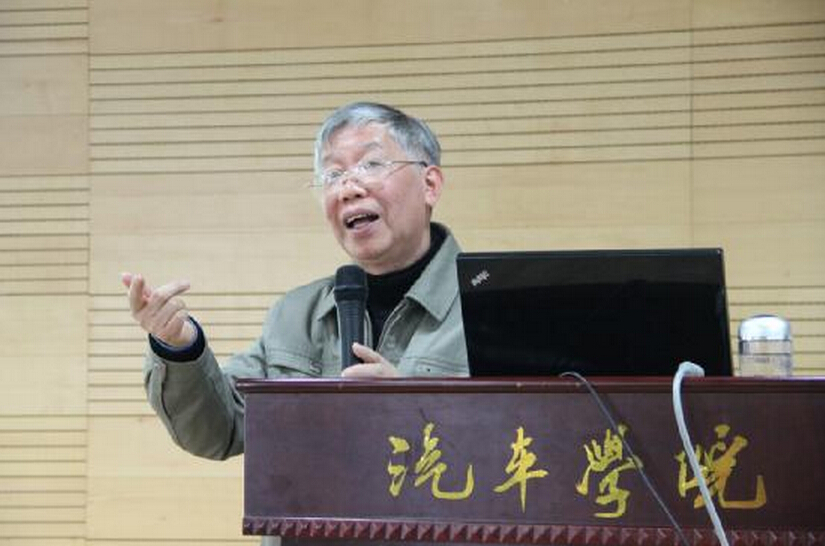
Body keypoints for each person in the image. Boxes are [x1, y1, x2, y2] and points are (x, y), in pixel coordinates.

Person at [123, 102, 469, 462]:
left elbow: (509, 448)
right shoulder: (297, 316)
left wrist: (409, 409)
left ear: (430, 185)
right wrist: (180, 347)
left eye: (371, 164)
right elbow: (219, 431)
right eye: (333, 174)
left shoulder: (490, 307)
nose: (348, 188)